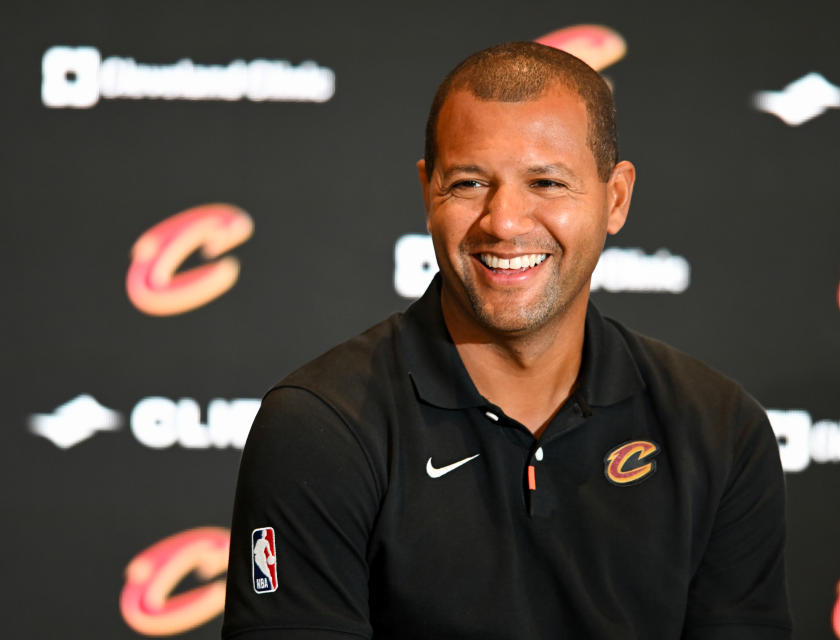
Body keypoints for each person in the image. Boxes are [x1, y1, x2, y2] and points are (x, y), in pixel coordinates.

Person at [223, 41, 791, 639]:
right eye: (469, 183)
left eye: (546, 182)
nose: (505, 221)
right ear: (427, 193)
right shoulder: (322, 426)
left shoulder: (719, 429)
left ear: (615, 198)